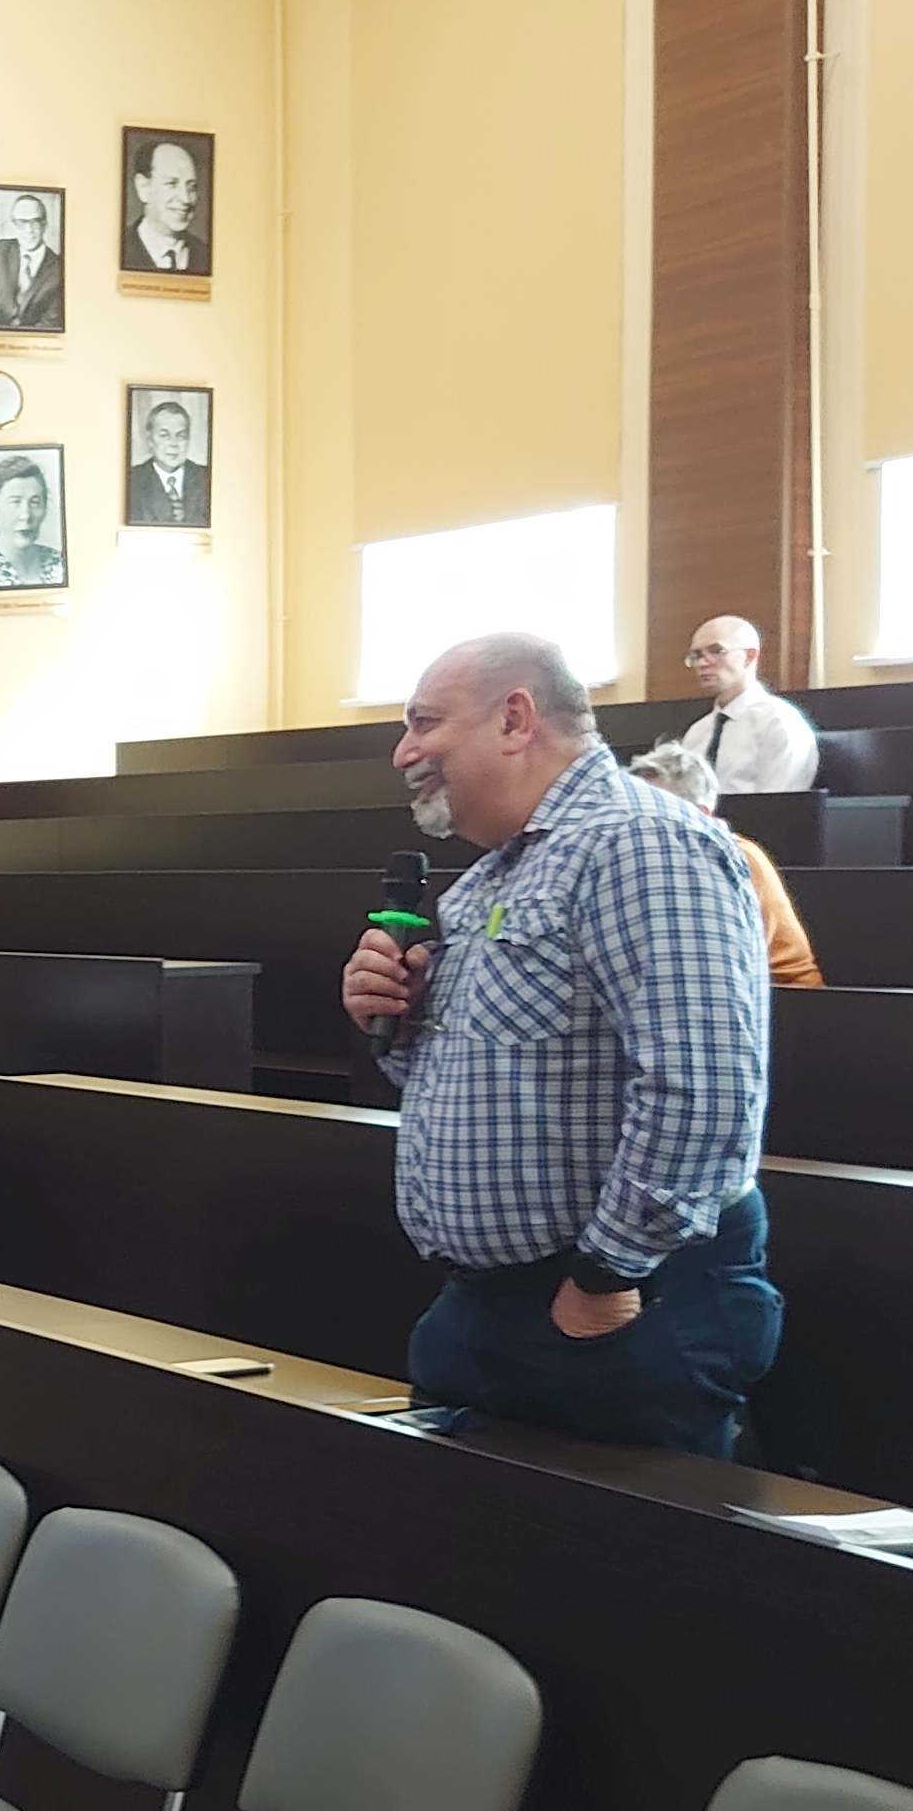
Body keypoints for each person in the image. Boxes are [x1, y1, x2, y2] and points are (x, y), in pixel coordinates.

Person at [338, 633, 780, 1459]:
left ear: (515, 719)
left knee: (611, 1543)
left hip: (616, 1309)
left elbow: (703, 1086)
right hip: (494, 1302)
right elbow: (481, 1074)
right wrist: (397, 1018)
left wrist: (606, 1277)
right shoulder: (493, 877)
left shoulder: (640, 844)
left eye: (425, 723)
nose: (404, 752)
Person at [630, 741, 822, 986]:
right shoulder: (648, 859)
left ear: (701, 814)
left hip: (786, 996)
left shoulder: (739, 857)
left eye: (656, 815)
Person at [672, 615, 818, 793]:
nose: (702, 663)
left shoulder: (780, 722)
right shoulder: (697, 732)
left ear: (750, 656)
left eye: (717, 651)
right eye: (697, 655)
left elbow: (779, 801)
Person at [0, 192, 61, 330]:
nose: (29, 230)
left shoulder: (59, 267)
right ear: (13, 225)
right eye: (22, 223)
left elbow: (51, 324)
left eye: (35, 222)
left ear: (45, 224)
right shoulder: (2, 249)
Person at [0, 456, 63, 588]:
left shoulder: (60, 563)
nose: (26, 515)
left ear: (45, 509)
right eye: (15, 502)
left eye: (34, 502)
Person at [126, 398, 209, 526]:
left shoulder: (206, 477)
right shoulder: (132, 480)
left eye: (181, 436)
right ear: (150, 439)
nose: (173, 443)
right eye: (164, 435)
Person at [128, 137, 204, 273]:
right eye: (172, 184)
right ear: (143, 187)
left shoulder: (205, 254)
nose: (186, 199)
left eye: (192, 187)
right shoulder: (118, 247)